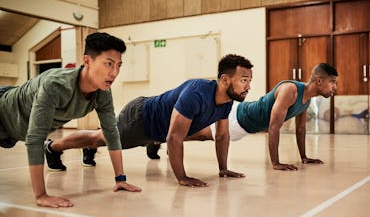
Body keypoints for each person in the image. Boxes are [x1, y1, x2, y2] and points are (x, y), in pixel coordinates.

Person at [46, 54, 254, 187]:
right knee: (99, 138)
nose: (248, 86)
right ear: (225, 79)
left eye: (249, 81)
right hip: (140, 120)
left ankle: (154, 142)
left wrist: (223, 168)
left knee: (201, 134)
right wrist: (182, 177)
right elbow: (174, 137)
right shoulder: (197, 93)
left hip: (157, 125)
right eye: (244, 80)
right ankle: (52, 147)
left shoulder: (227, 101)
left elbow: (222, 135)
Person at [0, 32, 141, 208]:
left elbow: (111, 132)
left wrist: (120, 179)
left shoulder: (103, 92)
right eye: (108, 64)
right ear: (87, 61)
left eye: (119, 65)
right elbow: (35, 138)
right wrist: (41, 195)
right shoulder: (55, 85)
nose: (114, 73)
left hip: (14, 127)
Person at [153, 63, 338, 171]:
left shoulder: (305, 99)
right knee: (201, 134)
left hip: (244, 124)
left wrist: (304, 157)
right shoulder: (291, 90)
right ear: (319, 81)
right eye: (332, 82)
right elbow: (273, 127)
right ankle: (159, 140)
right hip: (239, 118)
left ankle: (165, 140)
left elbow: (300, 128)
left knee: (200, 134)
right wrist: (275, 163)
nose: (334, 87)